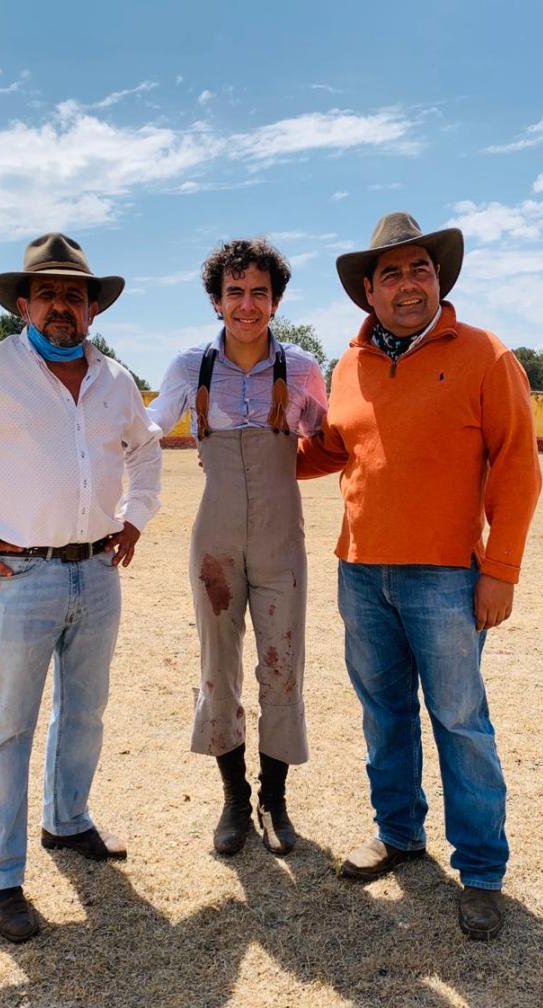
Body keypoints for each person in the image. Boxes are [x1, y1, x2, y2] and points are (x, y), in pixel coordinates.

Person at [0, 233, 162, 943]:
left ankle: (67, 822)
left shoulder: (111, 379)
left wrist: (133, 519)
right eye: (47, 293)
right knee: (6, 726)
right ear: (23, 303)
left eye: (75, 295)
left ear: (93, 308)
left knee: (86, 710)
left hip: (98, 570)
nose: (61, 306)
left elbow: (145, 451)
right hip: (21, 575)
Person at [297, 213, 542, 940]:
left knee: (460, 722)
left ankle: (481, 870)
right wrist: (264, 445)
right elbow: (334, 452)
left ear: (438, 281)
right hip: (360, 573)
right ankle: (399, 833)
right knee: (383, 714)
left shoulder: (484, 355)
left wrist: (499, 570)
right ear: (366, 292)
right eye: (392, 274)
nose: (409, 284)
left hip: (445, 578)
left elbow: (518, 469)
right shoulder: (349, 365)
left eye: (420, 270)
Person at [148, 239, 327, 856]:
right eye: (234, 293)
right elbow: (145, 431)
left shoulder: (303, 369)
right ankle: (232, 802)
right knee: (217, 665)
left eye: (258, 293)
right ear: (216, 301)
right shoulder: (187, 367)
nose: (246, 305)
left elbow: (329, 439)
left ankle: (274, 802)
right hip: (215, 539)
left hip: (283, 538)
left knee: (283, 661)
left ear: (275, 300)